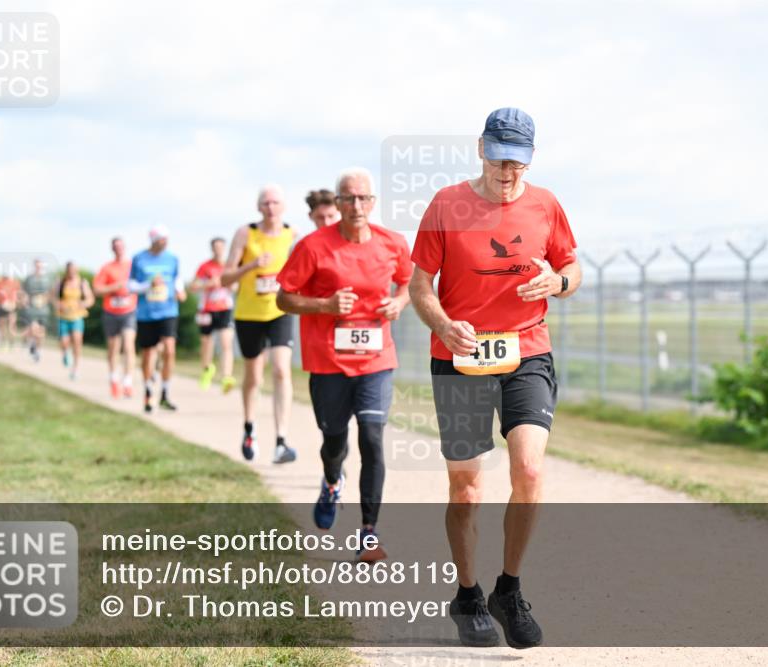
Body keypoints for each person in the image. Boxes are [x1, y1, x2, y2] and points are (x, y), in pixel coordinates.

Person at [409, 108, 582, 649]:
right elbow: (420, 285)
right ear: (480, 147)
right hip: (460, 355)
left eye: (519, 161)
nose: (508, 171)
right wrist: (443, 323)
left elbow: (574, 269)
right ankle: (467, 592)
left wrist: (557, 281)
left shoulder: (546, 204)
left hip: (527, 350)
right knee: (467, 486)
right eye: (500, 156)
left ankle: (509, 588)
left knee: (528, 468)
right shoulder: (447, 205)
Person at [277, 167, 412, 562]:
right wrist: (325, 305)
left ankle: (369, 533)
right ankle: (332, 481)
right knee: (334, 442)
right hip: (328, 361)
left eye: (364, 198)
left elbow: (409, 282)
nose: (356, 206)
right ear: (337, 204)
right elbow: (284, 298)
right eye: (348, 198)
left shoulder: (393, 243)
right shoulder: (314, 246)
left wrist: (399, 302)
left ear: (373, 202)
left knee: (371, 438)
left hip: (376, 358)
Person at [219, 185, 297, 464]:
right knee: (253, 374)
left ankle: (281, 440)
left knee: (280, 369)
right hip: (249, 313)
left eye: (276, 202)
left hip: (279, 311)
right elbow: (225, 279)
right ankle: (249, 427)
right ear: (258, 207)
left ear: (283, 206)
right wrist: (250, 266)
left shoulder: (292, 235)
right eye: (265, 203)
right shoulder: (245, 233)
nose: (271, 207)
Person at [129, 225, 185, 413]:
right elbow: (131, 285)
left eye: (166, 239)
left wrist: (179, 290)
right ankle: (148, 391)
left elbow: (177, 278)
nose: (165, 242)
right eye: (161, 239)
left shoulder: (172, 258)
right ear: (153, 240)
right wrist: (148, 285)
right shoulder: (139, 258)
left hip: (168, 310)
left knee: (169, 350)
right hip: (146, 313)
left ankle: (165, 394)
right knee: (148, 354)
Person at [93, 237, 138, 398]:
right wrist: (114, 287)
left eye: (121, 246)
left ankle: (128, 382)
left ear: (124, 248)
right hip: (111, 312)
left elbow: (141, 284)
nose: (119, 249)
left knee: (128, 345)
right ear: (112, 249)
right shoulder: (107, 268)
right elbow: (97, 290)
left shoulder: (133, 266)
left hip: (129, 311)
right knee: (113, 348)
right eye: (116, 246)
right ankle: (114, 379)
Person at [191, 237, 237, 393]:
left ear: (225, 248)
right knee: (207, 343)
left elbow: (237, 285)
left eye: (221, 247)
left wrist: (229, 283)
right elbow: (194, 286)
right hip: (207, 309)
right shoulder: (204, 267)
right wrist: (209, 284)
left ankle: (226, 377)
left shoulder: (230, 266)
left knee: (226, 343)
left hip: (225, 308)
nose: (218, 250)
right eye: (215, 247)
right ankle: (207, 369)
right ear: (212, 249)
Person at [54, 262, 95, 380]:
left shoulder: (82, 283)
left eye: (74, 270)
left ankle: (75, 369)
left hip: (77, 316)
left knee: (77, 341)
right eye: (70, 270)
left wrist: (83, 303)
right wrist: (58, 304)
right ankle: (65, 352)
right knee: (64, 341)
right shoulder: (61, 282)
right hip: (63, 316)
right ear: (67, 270)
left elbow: (90, 299)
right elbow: (52, 296)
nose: (72, 272)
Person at [21, 259, 52, 362]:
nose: (38, 267)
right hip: (32, 307)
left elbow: (50, 293)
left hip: (43, 308)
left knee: (41, 332)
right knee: (34, 328)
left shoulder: (47, 279)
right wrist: (25, 301)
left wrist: (45, 299)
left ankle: (37, 349)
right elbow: (24, 291)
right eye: (37, 266)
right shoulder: (29, 278)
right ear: (34, 266)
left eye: (40, 266)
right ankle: (33, 343)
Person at [0, 274, 21, 348]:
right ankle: (3, 341)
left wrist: (18, 301)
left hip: (12, 305)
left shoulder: (15, 282)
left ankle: (12, 341)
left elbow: (18, 293)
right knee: (2, 324)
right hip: (2, 305)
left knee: (12, 323)